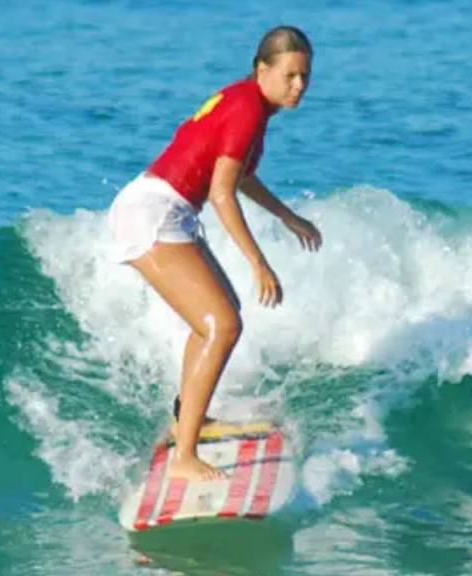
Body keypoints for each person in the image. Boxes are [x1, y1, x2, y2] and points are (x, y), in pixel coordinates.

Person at [108, 26, 322, 482]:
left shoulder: (249, 103)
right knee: (219, 324)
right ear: (262, 69)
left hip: (170, 209)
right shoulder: (247, 109)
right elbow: (223, 194)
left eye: (305, 76)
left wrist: (287, 216)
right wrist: (259, 262)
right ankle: (184, 456)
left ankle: (188, 420)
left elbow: (240, 177)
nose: (299, 85)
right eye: (290, 75)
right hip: (153, 211)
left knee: (219, 320)